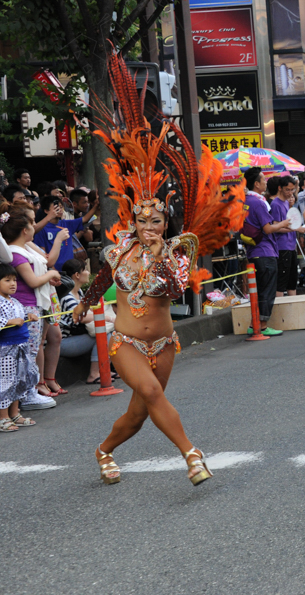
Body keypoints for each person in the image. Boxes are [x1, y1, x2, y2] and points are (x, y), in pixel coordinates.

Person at [73, 52, 245, 485]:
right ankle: (192, 455)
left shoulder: (178, 252)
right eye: (142, 220)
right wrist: (84, 305)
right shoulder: (116, 254)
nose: (149, 226)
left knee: (138, 411)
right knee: (149, 392)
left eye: (156, 221)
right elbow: (102, 282)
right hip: (126, 341)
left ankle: (104, 449)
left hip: (165, 342)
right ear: (131, 220)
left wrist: (163, 254)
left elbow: (176, 289)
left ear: (166, 222)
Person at [2, 207, 64, 403]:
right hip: (27, 305)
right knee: (28, 352)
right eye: (31, 223)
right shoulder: (16, 253)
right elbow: (33, 281)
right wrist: (51, 274)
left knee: (32, 349)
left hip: (31, 305)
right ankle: (28, 394)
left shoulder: (22, 250)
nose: (33, 226)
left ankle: (29, 392)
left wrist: (47, 278)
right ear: (24, 231)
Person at [242, 167, 290, 336]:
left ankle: (253, 323)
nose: (265, 182)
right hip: (265, 251)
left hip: (253, 251)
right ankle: (261, 325)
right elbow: (268, 229)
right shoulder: (258, 202)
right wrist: (283, 224)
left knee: (259, 290)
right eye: (263, 179)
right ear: (256, 184)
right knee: (267, 290)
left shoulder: (245, 201)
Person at [57, 259, 113, 384]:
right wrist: (108, 318)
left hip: (76, 337)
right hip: (63, 342)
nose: (88, 273)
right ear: (77, 275)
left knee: (105, 332)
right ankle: (94, 373)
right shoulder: (67, 297)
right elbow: (82, 317)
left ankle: (104, 370)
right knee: (101, 334)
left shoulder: (79, 293)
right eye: (85, 270)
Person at [0, 262, 41, 433]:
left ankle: (15, 413)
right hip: (5, 349)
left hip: (21, 346)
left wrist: (28, 315)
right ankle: (3, 417)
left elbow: (22, 314)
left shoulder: (15, 301)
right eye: (7, 280)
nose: (13, 284)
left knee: (19, 379)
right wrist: (9, 322)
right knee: (5, 382)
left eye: (14, 280)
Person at [33, 193, 98, 272]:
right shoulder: (41, 229)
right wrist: (52, 270)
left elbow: (84, 219)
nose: (60, 210)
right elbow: (42, 253)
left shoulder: (66, 224)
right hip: (53, 269)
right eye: (56, 208)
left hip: (70, 269)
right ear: (46, 211)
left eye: (61, 207)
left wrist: (96, 206)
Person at [266, 175, 302, 298]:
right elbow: (276, 226)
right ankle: (280, 310)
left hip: (291, 245)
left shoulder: (286, 202)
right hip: (282, 247)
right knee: (281, 281)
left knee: (292, 281)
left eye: (292, 190)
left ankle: (293, 308)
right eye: (288, 190)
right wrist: (297, 228)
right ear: (280, 188)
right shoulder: (276, 204)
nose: (290, 193)